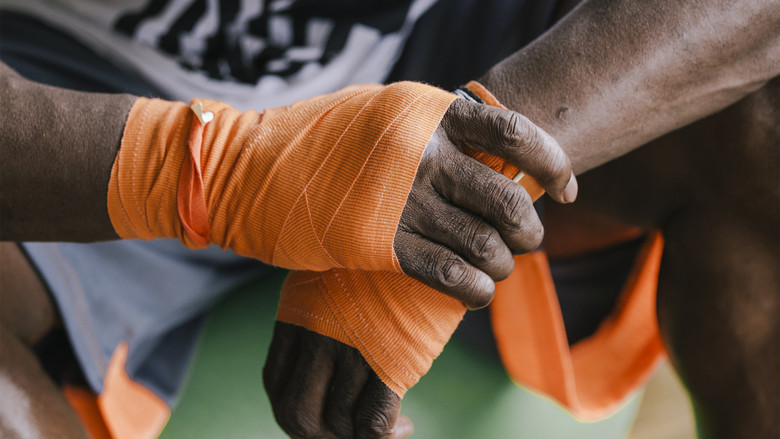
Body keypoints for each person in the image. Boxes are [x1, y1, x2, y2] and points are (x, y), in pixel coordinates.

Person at [1, 0, 778, 438]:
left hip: (436, 31)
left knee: (763, 127)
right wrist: (240, 175)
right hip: (63, 90)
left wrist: (481, 161)